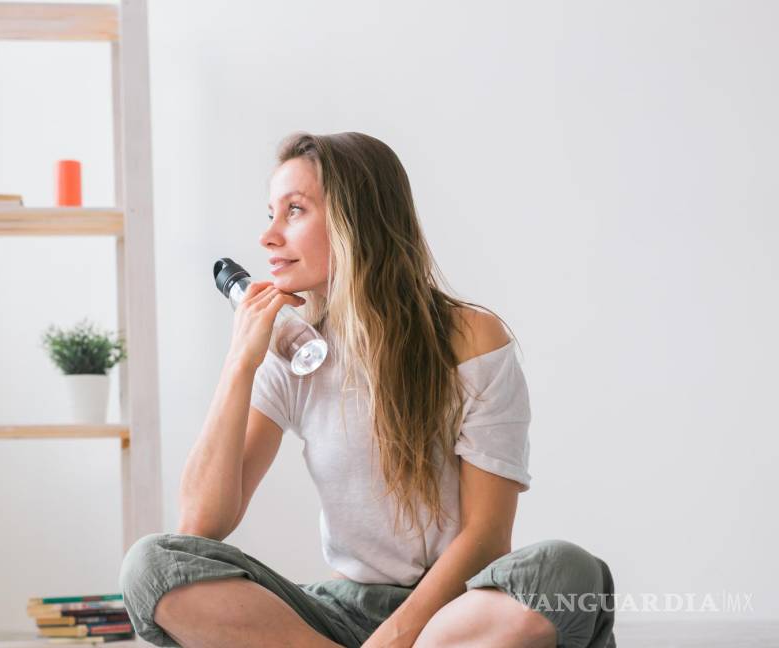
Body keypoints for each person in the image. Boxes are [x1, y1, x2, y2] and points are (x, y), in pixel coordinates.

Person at [118, 132, 617, 648]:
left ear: (356, 221)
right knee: (151, 567)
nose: (268, 236)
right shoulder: (292, 349)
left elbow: (487, 536)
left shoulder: (472, 340)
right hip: (338, 617)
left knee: (566, 575)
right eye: (270, 213)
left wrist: (395, 638)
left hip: (456, 610)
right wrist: (239, 360)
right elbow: (200, 524)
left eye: (294, 210)